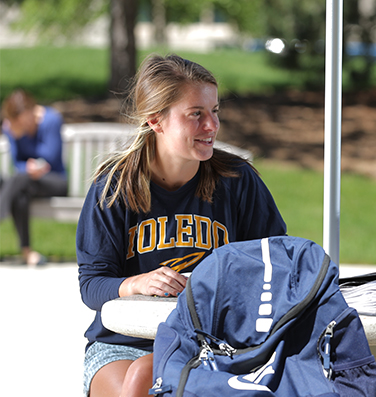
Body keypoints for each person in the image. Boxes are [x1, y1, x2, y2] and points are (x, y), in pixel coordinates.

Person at [77, 54, 287, 397]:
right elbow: (92, 286)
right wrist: (137, 283)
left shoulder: (237, 180)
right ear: (156, 121)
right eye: (196, 114)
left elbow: (277, 263)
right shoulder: (114, 187)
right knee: (145, 376)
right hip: (123, 344)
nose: (212, 126)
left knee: (152, 375)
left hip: (212, 343)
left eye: (215, 111)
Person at [0, 89, 68, 266]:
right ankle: (28, 253)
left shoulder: (51, 119)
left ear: (32, 110)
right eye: (20, 123)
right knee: (20, 192)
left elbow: (51, 157)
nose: (24, 125)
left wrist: (24, 138)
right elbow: (17, 163)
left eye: (25, 120)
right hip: (27, 182)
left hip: (55, 181)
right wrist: (27, 166)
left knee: (18, 180)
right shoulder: (13, 128)